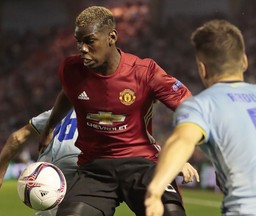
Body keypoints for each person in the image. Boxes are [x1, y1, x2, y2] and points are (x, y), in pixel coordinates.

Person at [40, 6, 199, 216]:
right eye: (79, 41)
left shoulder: (145, 72)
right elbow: (68, 94)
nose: (82, 48)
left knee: (171, 213)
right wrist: (50, 127)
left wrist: (178, 154)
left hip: (142, 164)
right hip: (94, 169)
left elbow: (193, 110)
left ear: (111, 37)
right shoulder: (70, 70)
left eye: (89, 41)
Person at [145, 19, 256, 216]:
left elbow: (182, 141)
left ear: (202, 68)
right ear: (244, 61)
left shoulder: (201, 106)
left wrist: (155, 190)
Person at [0, 109, 80, 216]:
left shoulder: (56, 113)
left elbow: (17, 138)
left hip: (43, 184)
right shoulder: (94, 112)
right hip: (81, 180)